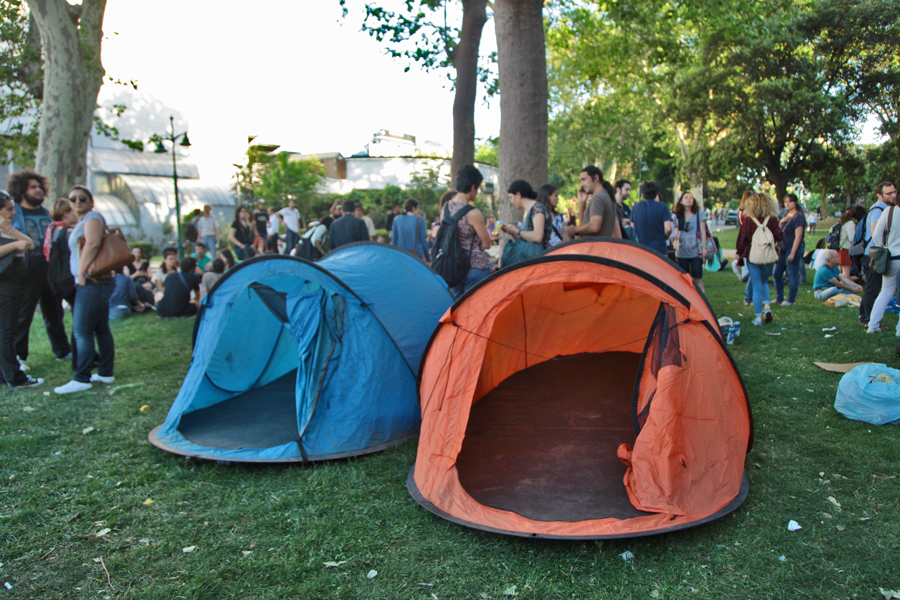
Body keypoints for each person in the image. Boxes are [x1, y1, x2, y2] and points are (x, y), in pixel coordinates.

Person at [6, 170, 71, 364]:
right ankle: (19, 356)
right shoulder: (14, 213)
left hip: (50, 271)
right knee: (22, 316)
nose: (38, 190)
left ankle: (62, 351)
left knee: (55, 314)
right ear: (21, 190)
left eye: (40, 187)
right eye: (33, 187)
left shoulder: (47, 213)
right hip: (26, 271)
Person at [55, 186, 115, 394]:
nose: (77, 201)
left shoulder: (92, 217)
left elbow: (92, 244)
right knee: (100, 328)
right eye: (73, 199)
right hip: (96, 280)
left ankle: (82, 377)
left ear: (91, 201)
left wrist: (81, 273)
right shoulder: (83, 220)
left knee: (81, 331)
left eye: (82, 198)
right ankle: (106, 372)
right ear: (69, 203)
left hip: (92, 281)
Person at [0, 190, 43, 388]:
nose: (14, 212)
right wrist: (15, 244)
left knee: (7, 331)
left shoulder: (5, 229)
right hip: (5, 286)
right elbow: (21, 245)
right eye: (9, 209)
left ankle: (5, 374)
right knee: (7, 333)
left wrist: (9, 229)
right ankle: (16, 379)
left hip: (14, 285)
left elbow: (30, 244)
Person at [443, 165, 492, 297]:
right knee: (475, 311)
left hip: (452, 268)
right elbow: (487, 244)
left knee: (457, 310)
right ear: (472, 187)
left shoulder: (446, 208)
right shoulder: (473, 212)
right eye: (478, 188)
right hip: (474, 267)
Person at [735, 192, 783, 326]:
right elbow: (779, 235)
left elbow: (741, 239)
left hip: (753, 256)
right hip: (768, 256)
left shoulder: (749, 220)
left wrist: (739, 253)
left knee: (756, 286)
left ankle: (758, 318)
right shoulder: (772, 219)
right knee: (764, 282)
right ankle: (767, 306)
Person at [860, 182, 896, 327]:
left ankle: (867, 317)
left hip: (877, 253)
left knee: (876, 287)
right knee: (873, 288)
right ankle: (867, 319)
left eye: (894, 192)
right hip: (875, 254)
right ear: (879, 195)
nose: (893, 195)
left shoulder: (887, 209)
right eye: (889, 193)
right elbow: (876, 235)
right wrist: (882, 251)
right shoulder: (878, 210)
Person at [865, 197, 900, 334]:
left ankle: (873, 325)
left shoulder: (889, 212)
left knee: (885, 291)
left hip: (891, 256)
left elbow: (877, 235)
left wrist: (883, 248)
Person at [566, 165, 621, 239]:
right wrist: (582, 204)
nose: (581, 185)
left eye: (584, 179)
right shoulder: (608, 196)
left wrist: (574, 229)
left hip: (594, 247)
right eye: (580, 181)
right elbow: (585, 225)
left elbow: (594, 226)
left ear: (595, 178)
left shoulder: (598, 198)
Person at [775, 193, 806, 306]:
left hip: (793, 248)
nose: (787, 204)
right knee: (777, 273)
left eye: (790, 201)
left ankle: (791, 300)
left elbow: (798, 236)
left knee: (792, 274)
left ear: (795, 202)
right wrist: (782, 221)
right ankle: (779, 297)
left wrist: (793, 253)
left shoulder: (798, 216)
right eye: (786, 201)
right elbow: (780, 231)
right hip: (783, 248)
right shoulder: (785, 215)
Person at [673, 191, 709, 292]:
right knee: (684, 279)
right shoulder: (677, 216)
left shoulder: (699, 214)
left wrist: (704, 248)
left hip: (695, 251)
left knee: (697, 277)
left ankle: (701, 302)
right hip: (681, 252)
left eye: (691, 197)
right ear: (681, 201)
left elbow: (703, 232)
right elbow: (673, 232)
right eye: (686, 197)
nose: (689, 199)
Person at [501, 180, 551, 249]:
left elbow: (538, 237)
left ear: (518, 195)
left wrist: (516, 230)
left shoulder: (537, 208)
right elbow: (525, 240)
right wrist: (512, 232)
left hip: (540, 257)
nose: (512, 202)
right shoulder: (528, 211)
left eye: (511, 198)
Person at [630, 181, 673, 255]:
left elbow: (632, 227)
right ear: (656, 194)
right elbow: (668, 228)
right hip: (659, 249)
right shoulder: (663, 207)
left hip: (641, 249)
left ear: (643, 194)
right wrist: (664, 236)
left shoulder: (636, 207)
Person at [839, 205, 866, 279]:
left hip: (843, 248)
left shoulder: (847, 222)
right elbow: (852, 238)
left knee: (842, 271)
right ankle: (843, 286)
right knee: (846, 272)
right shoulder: (851, 223)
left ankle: (839, 285)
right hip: (846, 249)